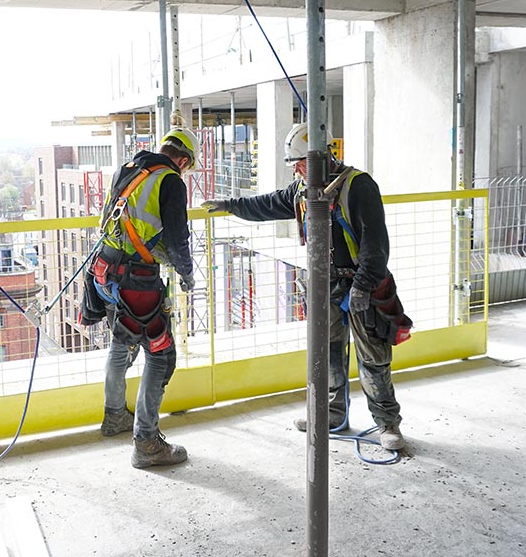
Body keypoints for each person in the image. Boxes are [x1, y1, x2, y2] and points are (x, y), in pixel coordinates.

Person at [202, 122, 406, 451]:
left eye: (300, 163)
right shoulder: (302, 190)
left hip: (360, 283)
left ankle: (387, 424)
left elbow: (375, 244)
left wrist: (363, 287)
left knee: (373, 358)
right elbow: (267, 204)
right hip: (324, 285)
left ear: (321, 159)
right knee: (326, 355)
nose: (296, 169)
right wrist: (231, 205)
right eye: (294, 164)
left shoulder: (359, 186)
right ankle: (331, 416)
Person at [80, 126, 198, 468]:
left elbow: (120, 223)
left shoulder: (127, 170)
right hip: (135, 281)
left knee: (122, 343)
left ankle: (114, 415)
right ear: (183, 160)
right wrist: (187, 273)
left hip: (104, 270)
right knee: (161, 355)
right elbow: (177, 238)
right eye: (186, 167)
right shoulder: (170, 180)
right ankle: (146, 443)